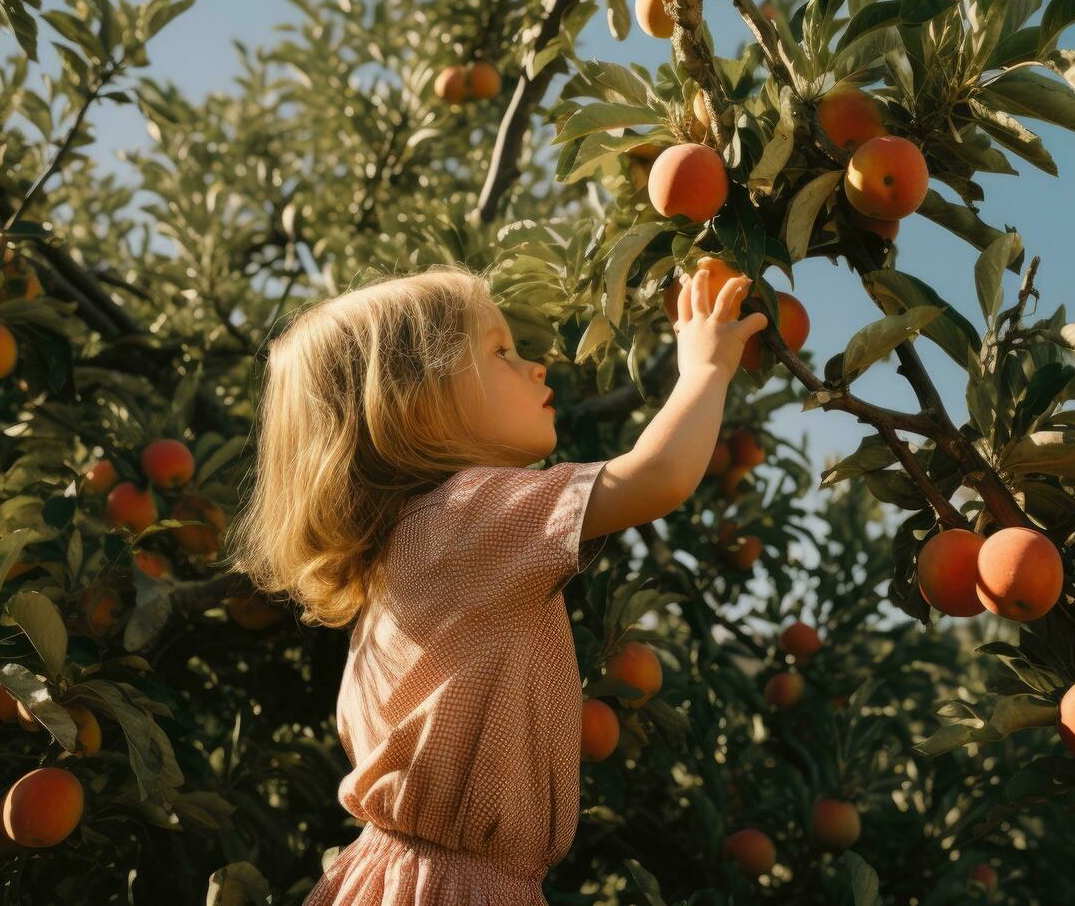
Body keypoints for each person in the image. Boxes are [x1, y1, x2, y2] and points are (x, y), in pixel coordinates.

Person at [224, 261, 766, 905]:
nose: (536, 366)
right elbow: (659, 477)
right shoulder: (467, 515)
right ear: (416, 403)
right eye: (500, 353)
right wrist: (706, 368)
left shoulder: (409, 546)